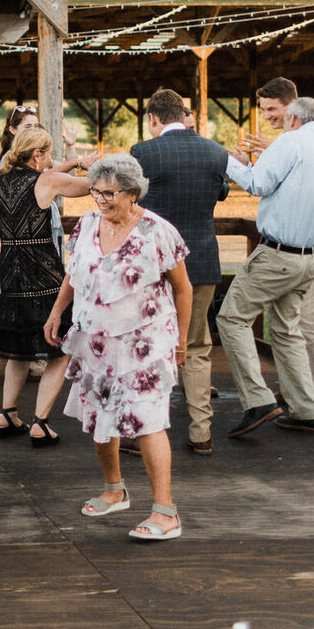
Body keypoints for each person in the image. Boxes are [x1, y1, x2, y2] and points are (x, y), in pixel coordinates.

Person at [44, 154, 192, 541]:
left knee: (147, 420)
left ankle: (166, 512)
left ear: (131, 192)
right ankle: (115, 489)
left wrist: (181, 342)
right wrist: (57, 311)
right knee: (99, 415)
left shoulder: (157, 231)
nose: (101, 199)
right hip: (95, 342)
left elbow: (183, 288)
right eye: (96, 191)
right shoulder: (88, 224)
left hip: (144, 344)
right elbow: (74, 274)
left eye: (110, 193)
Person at [218, 96, 314, 437]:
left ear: (292, 118)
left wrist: (225, 161)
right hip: (308, 257)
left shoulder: (290, 141)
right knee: (286, 330)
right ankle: (306, 410)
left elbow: (257, 184)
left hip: (277, 254)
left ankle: (258, 399)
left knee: (231, 318)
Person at [130, 88, 231, 456]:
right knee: (197, 345)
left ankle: (137, 428)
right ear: (184, 114)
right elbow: (220, 192)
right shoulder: (216, 152)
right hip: (202, 259)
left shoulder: (144, 153)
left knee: (142, 343)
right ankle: (200, 430)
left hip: (153, 265)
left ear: (153, 119)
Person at [0, 126, 92, 445]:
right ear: (37, 155)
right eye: (48, 153)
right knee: (58, 350)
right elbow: (88, 188)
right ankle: (41, 422)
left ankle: (7, 414)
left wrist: (67, 164)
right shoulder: (46, 181)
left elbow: (43, 176)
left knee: (19, 351)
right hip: (42, 274)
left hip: (11, 273)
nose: (51, 159)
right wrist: (91, 167)